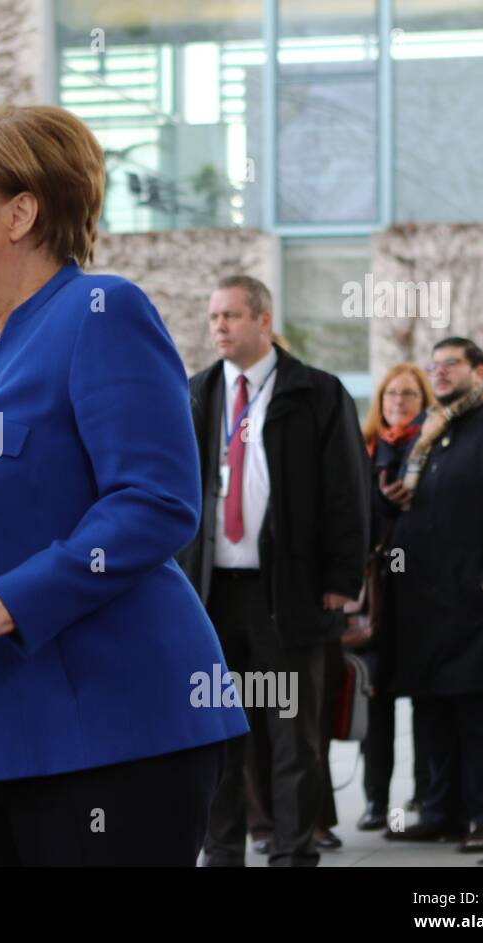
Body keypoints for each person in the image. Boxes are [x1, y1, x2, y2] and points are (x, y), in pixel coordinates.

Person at [0, 105, 246, 866]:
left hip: (103, 735)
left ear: (21, 213)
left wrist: (11, 600)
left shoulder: (102, 313)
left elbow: (157, 500)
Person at [179, 275, 369, 867]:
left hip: (287, 594)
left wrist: (343, 579)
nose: (219, 327)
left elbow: (349, 490)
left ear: (264, 321)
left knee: (294, 736)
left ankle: (293, 852)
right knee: (217, 734)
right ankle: (223, 852)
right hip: (211, 598)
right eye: (213, 317)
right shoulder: (196, 393)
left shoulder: (316, 393)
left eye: (232, 316)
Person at [382, 337, 483, 853]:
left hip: (478, 599)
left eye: (451, 364)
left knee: (481, 710)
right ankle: (440, 811)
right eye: (435, 366)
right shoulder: (431, 434)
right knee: (431, 708)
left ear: (480, 370)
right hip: (423, 602)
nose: (440, 373)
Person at [354, 362, 434, 831]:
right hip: (375, 593)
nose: (398, 402)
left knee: (424, 698)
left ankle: (425, 795)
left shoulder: (429, 450)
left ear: (422, 401)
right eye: (390, 395)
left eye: (408, 395)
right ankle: (375, 802)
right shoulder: (364, 449)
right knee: (376, 698)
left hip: (420, 591)